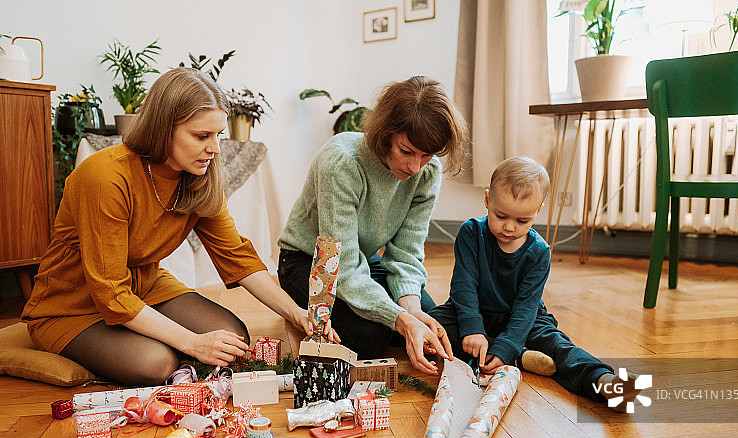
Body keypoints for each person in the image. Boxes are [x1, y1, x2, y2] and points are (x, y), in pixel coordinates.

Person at [22, 68, 330, 386]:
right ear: (163, 129)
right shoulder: (105, 177)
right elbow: (110, 292)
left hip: (144, 288)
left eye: (218, 135)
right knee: (156, 362)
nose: (216, 149)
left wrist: (295, 313)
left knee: (232, 338)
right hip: (73, 303)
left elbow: (237, 256)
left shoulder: (201, 178)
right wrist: (191, 342)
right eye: (201, 136)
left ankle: (153, 343)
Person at [278, 75, 469, 375]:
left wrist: (412, 311)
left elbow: (405, 254)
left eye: (427, 154)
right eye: (406, 151)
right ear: (386, 135)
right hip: (309, 262)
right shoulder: (342, 161)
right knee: (371, 337)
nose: (415, 167)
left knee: (440, 326)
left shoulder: (428, 172)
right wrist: (401, 321)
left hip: (362, 261)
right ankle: (303, 314)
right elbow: (341, 266)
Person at [428, 156, 631, 406]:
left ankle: (603, 380)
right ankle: (520, 357)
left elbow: (526, 306)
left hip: (524, 318)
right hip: (474, 311)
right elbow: (463, 286)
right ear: (487, 200)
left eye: (522, 221)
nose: (510, 227)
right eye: (501, 216)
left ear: (537, 210)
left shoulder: (539, 251)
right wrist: (473, 329)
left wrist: (508, 342)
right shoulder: (471, 233)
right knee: (433, 328)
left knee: (556, 344)